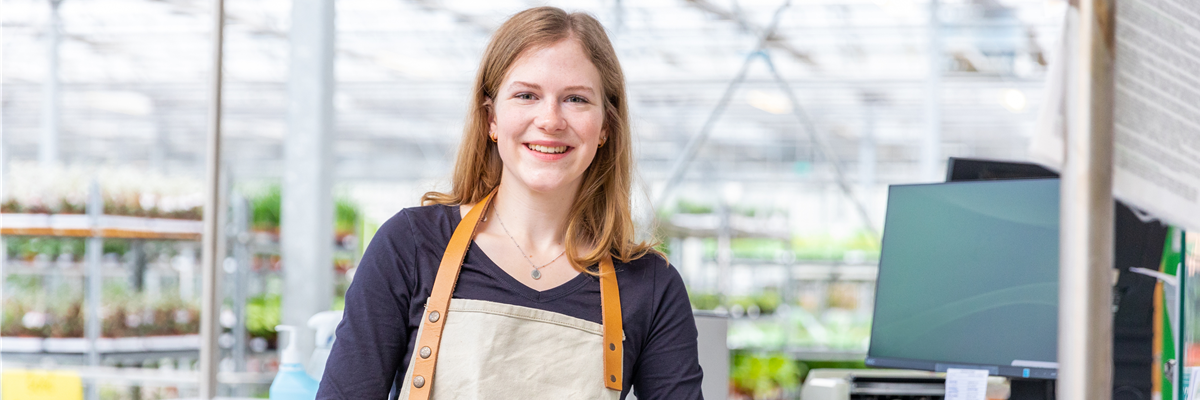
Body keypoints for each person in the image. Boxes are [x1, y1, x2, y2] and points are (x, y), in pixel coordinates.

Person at [317, 6, 703, 400]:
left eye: (575, 99)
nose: (550, 120)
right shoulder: (411, 246)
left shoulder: (649, 285)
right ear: (491, 119)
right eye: (526, 95)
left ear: (605, 125)